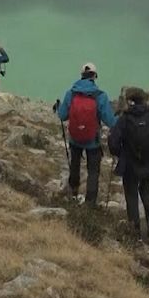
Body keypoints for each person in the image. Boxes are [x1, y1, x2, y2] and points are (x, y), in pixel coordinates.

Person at [108, 87, 149, 238]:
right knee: (145, 186)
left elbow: (113, 142)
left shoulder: (124, 119)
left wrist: (120, 154)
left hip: (130, 164)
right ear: (144, 100)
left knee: (131, 192)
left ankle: (135, 227)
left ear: (129, 102)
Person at [56, 63, 116, 206]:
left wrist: (58, 108)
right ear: (94, 77)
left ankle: (73, 193)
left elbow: (63, 115)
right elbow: (110, 121)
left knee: (75, 165)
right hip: (93, 141)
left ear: (81, 75)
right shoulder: (100, 96)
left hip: (75, 138)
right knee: (93, 171)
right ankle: (90, 203)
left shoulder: (71, 93)